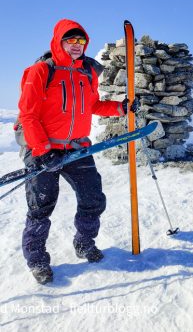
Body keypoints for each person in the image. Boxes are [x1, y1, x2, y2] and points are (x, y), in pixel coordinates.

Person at [18, 19, 134, 285]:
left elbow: (93, 104)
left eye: (80, 41)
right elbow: (28, 115)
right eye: (70, 40)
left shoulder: (87, 73)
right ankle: (37, 259)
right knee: (41, 206)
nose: (76, 46)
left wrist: (119, 108)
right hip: (42, 149)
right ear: (59, 41)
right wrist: (44, 151)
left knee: (93, 198)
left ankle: (84, 242)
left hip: (77, 147)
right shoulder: (40, 71)